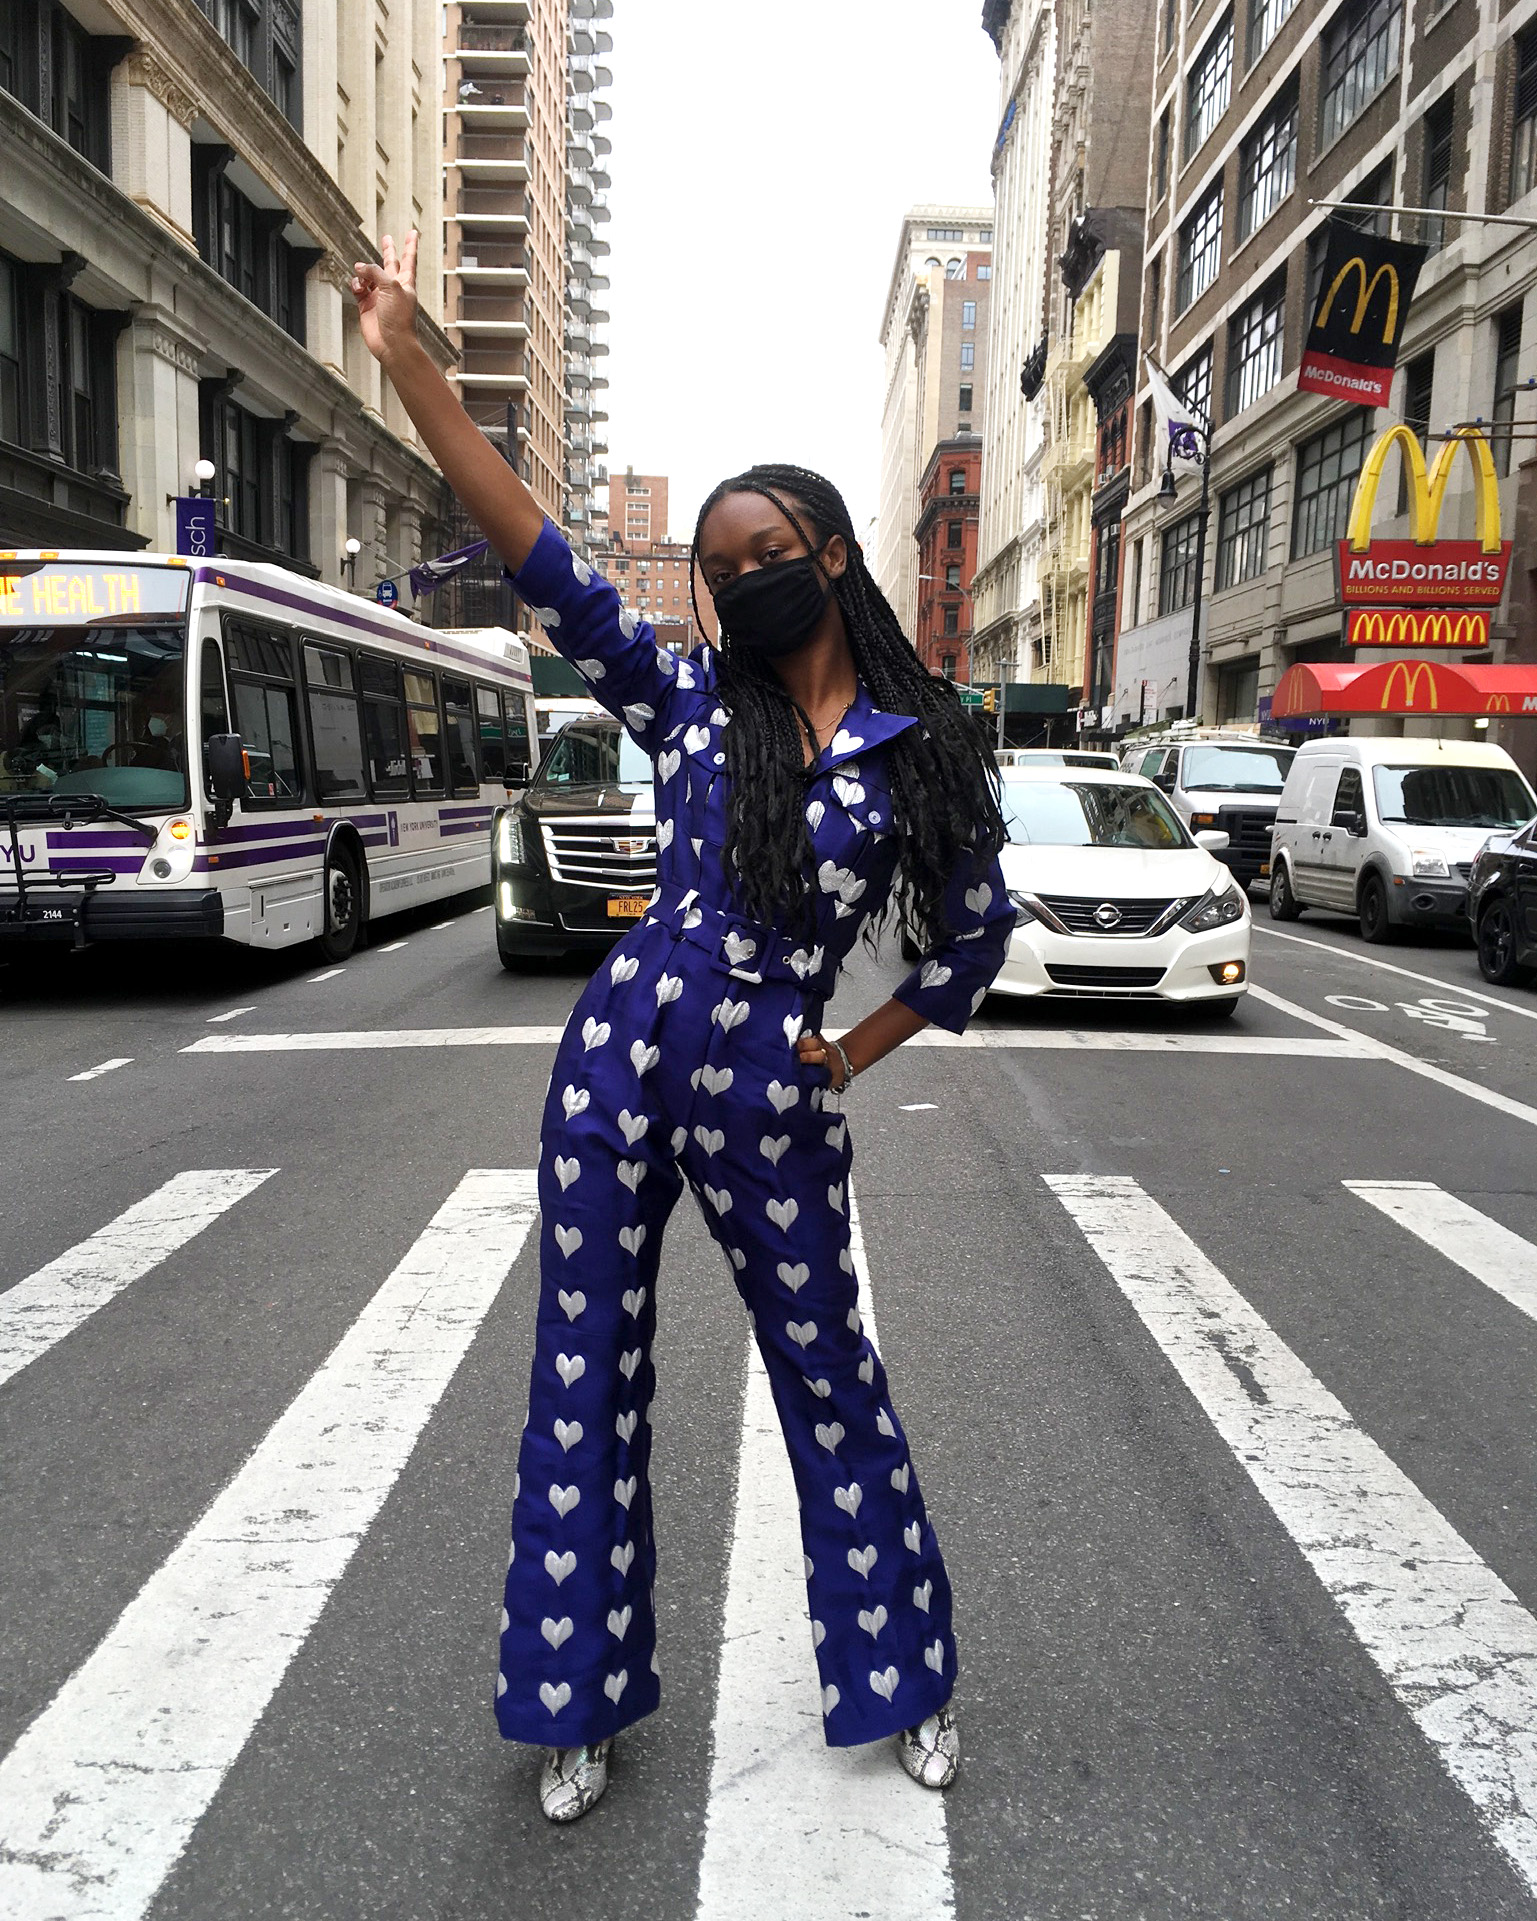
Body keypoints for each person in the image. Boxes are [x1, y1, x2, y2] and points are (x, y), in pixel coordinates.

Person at [352, 233, 1015, 1824]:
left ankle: (904, 1674)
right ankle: (570, 1700)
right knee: (580, 1374)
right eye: (719, 567)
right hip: (615, 1060)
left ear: (832, 553)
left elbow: (974, 938)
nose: (739, 577)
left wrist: (848, 1050)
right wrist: (412, 367)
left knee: (827, 1370)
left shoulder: (921, 745)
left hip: (772, 1081)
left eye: (765, 550)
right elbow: (544, 559)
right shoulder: (693, 705)